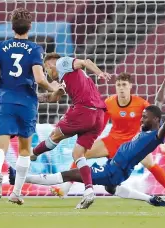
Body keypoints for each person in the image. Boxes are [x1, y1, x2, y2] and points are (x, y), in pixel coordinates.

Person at [10, 94, 165, 208]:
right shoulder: (147, 130)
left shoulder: (156, 136)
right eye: (142, 116)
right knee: (112, 189)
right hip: (115, 167)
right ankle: (151, 199)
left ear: (156, 119)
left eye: (145, 117)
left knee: (69, 174)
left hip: (114, 170)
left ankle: (19, 177)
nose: (141, 119)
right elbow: (157, 102)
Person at [51, 68, 165, 201]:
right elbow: (100, 125)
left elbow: (156, 121)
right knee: (81, 153)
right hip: (112, 141)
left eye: (124, 85)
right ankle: (65, 188)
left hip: (132, 144)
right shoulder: (109, 103)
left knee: (150, 164)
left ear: (130, 86)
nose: (121, 88)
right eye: (118, 85)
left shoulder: (141, 103)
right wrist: (89, 139)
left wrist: (163, 144)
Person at [0, 8, 59, 205]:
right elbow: (40, 78)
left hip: (5, 100)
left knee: (1, 145)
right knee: (25, 149)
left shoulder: (1, 47)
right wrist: (53, 88)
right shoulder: (35, 49)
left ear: (12, 26)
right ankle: (16, 192)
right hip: (27, 103)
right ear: (30, 27)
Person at [28, 52, 111, 209]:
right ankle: (88, 191)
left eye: (46, 69)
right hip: (99, 115)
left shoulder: (62, 63)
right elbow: (52, 98)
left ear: (50, 65)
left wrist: (100, 73)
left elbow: (86, 61)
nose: (48, 73)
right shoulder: (65, 79)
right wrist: (31, 97)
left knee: (55, 135)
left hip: (84, 110)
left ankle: (32, 154)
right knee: (78, 155)